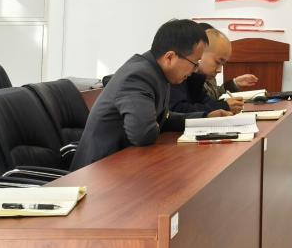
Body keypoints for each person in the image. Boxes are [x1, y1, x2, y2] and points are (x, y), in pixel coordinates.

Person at [71, 19, 207, 170]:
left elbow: (163, 119)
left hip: (122, 163)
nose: (195, 70)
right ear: (169, 57)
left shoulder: (157, 72)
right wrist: (153, 123)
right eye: (195, 63)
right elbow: (143, 134)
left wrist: (205, 117)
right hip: (97, 171)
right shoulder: (139, 76)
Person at [169, 27, 242, 117]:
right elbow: (178, 109)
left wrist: (225, 106)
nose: (219, 70)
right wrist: (224, 106)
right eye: (218, 62)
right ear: (201, 52)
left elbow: (205, 102)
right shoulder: (177, 73)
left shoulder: (196, 77)